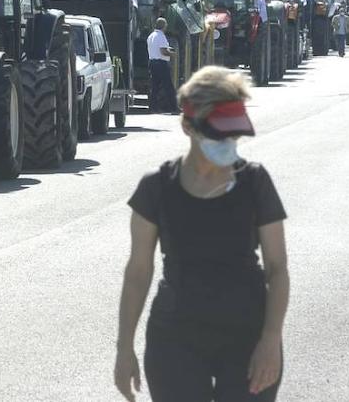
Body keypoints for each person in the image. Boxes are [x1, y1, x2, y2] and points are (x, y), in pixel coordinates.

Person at [115, 66, 288, 402]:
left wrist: (271, 338)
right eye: (216, 134)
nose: (227, 143)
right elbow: (138, 272)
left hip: (247, 335)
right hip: (176, 338)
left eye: (233, 134)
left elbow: (278, 268)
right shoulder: (156, 187)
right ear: (187, 127)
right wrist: (124, 349)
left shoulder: (255, 183)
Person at [146, 18, 177, 113]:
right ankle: (174, 108)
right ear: (164, 26)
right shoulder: (161, 36)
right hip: (161, 64)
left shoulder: (151, 36)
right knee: (168, 86)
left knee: (154, 87)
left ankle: (152, 108)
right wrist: (172, 54)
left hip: (152, 63)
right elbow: (163, 51)